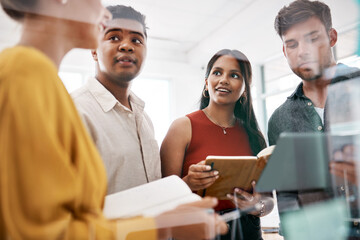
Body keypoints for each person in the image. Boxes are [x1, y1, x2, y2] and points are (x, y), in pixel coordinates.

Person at [0, 1, 227, 239]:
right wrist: (160, 227)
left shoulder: (47, 84)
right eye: (113, 37)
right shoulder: (22, 76)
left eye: (137, 40)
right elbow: (35, 232)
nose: (103, 10)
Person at [268, 0, 360, 238]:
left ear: (332, 37)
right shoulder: (279, 119)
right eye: (292, 44)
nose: (303, 51)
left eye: (312, 38)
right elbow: (287, 198)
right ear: (284, 51)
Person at [161, 49, 274, 240]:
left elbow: (269, 200)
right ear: (207, 83)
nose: (224, 80)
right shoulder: (182, 128)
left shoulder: (254, 136)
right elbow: (163, 199)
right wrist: (189, 183)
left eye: (234, 75)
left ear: (244, 88)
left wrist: (257, 206)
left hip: (247, 232)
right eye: (217, 72)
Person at [71, 5, 160, 195]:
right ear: (93, 50)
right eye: (114, 37)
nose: (127, 46)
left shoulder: (144, 119)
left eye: (136, 40)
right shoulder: (74, 112)